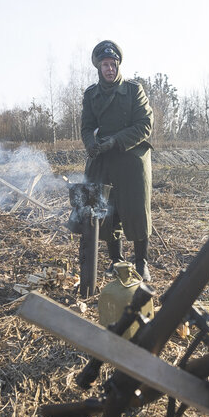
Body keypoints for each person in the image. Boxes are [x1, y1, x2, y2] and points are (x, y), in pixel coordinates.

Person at [81, 40, 154, 282]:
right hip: (104, 159)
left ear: (118, 66)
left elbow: (145, 125)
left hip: (132, 158)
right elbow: (87, 127)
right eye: (105, 65)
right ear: (99, 68)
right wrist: (91, 144)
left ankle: (141, 262)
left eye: (113, 64)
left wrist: (116, 141)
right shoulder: (91, 95)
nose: (110, 69)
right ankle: (117, 261)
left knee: (136, 211)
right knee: (106, 211)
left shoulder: (134, 91)